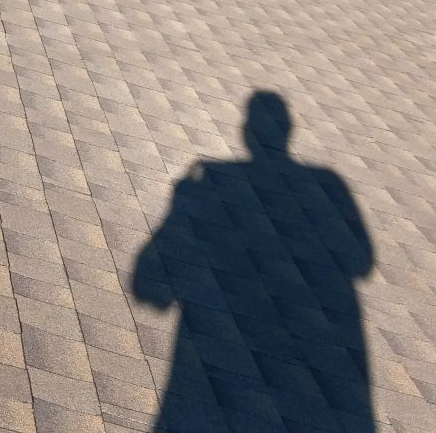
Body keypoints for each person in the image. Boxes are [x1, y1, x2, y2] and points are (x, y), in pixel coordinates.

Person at [131, 91, 375, 432]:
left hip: (216, 325)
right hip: (313, 334)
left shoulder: (210, 176)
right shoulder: (328, 184)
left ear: (247, 132)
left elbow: (149, 281)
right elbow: (361, 261)